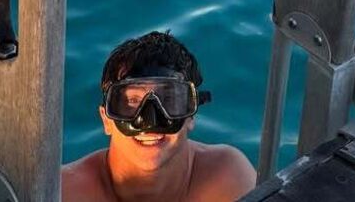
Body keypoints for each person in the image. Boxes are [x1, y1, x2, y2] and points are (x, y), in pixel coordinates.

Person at [62, 30, 257, 202]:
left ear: (191, 116)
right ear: (106, 120)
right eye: (132, 102)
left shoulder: (228, 178)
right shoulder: (64, 192)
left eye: (168, 101)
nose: (150, 121)